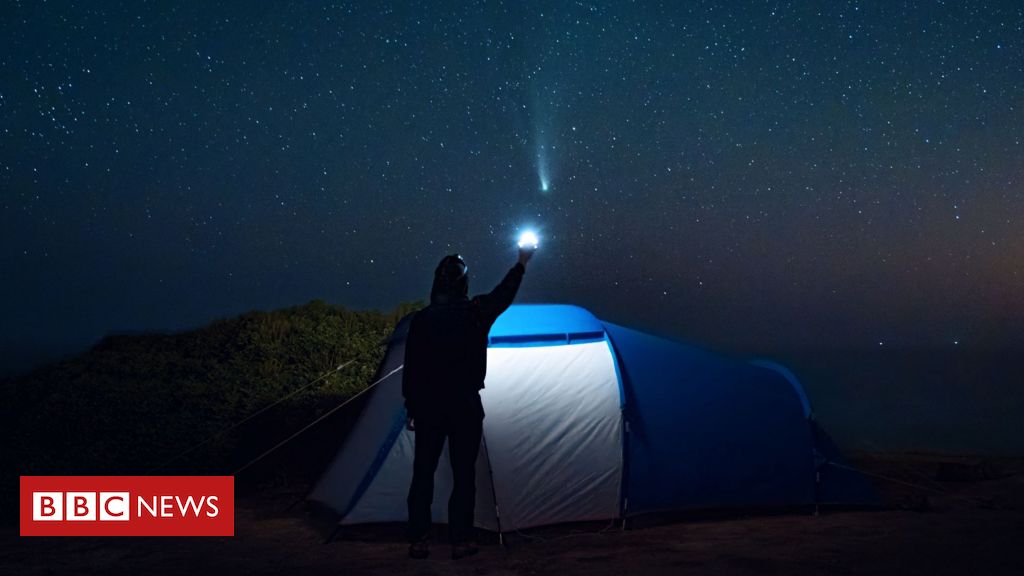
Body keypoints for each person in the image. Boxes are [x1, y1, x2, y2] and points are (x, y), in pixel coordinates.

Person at [402, 246, 534, 560]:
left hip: (429, 407)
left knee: (423, 473)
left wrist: (412, 408)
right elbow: (503, 294)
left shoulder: (422, 320)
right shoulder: (476, 312)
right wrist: (521, 263)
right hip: (465, 406)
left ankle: (419, 539)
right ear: (464, 282)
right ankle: (461, 540)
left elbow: (413, 367)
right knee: (464, 475)